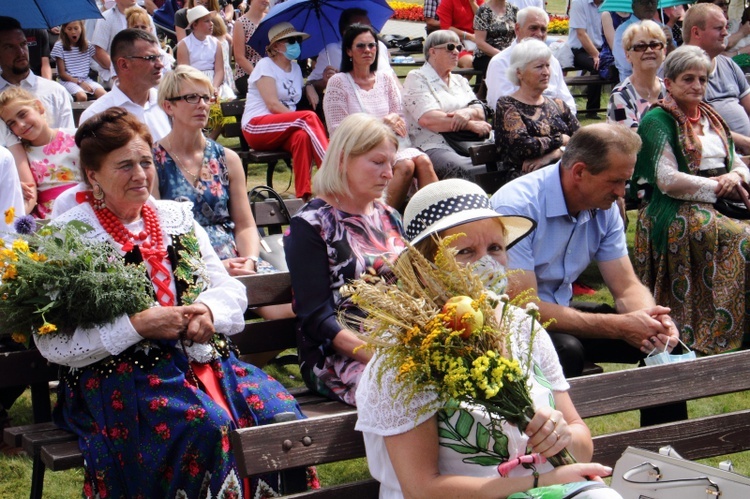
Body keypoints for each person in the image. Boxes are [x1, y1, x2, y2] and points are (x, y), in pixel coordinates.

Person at [36, 107, 307, 498]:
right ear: (93, 176)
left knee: (274, 412)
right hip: (120, 376)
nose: (141, 174)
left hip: (204, 360)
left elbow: (228, 288)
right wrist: (137, 326)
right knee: (207, 427)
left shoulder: (176, 218)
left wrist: (209, 310)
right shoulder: (70, 235)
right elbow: (53, 341)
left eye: (145, 161)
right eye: (124, 165)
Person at [356, 178, 619, 499]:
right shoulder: (406, 355)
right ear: (424, 269)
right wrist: (536, 482)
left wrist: (561, 436)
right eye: (465, 252)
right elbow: (421, 488)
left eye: (495, 247)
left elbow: (583, 447)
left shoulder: (523, 328)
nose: (486, 263)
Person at [633, 46, 750, 355]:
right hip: (675, 207)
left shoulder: (712, 117)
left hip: (722, 199)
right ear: (668, 83)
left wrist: (734, 178)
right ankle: (716, 331)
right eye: (688, 79)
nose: (697, 86)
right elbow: (667, 180)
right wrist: (717, 186)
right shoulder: (657, 120)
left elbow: (737, 162)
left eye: (702, 79)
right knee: (743, 238)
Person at [283, 113, 406, 406]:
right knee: (407, 392)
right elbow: (316, 317)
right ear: (342, 160)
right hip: (336, 356)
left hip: (399, 345)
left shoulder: (389, 217)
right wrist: (380, 355)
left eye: (392, 164)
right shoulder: (311, 224)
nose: (389, 173)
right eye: (378, 162)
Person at [154, 66, 272, 276]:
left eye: (206, 97)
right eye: (191, 97)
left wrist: (250, 262)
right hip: (186, 270)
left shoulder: (227, 159)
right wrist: (212, 268)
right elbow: (156, 237)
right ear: (168, 106)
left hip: (237, 260)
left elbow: (245, 225)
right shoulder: (153, 162)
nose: (202, 105)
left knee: (289, 304)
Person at [323, 24, 438, 210]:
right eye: (360, 46)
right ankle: (380, 221)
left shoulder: (385, 79)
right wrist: (382, 123)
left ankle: (437, 222)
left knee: (423, 161)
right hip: (357, 152)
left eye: (372, 45)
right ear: (348, 51)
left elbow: (400, 122)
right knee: (407, 166)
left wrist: (390, 124)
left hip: (392, 146)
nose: (368, 50)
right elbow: (339, 132)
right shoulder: (338, 82)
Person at [240, 22, 328, 201]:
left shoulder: (295, 68)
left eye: (297, 40)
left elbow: (294, 99)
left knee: (302, 137)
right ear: (276, 46)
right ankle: (331, 171)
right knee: (307, 118)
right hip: (257, 126)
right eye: (291, 40)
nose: (296, 44)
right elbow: (272, 104)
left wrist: (310, 86)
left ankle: (303, 196)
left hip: (284, 128)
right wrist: (300, 118)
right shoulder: (265, 65)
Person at [0, 16, 74, 203]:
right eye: (9, 47)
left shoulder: (54, 91)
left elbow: (66, 142)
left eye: (23, 44)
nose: (20, 52)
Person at [403, 30, 492, 180]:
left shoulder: (459, 80)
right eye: (450, 47)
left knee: (505, 156)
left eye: (459, 47)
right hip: (434, 143)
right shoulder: (417, 78)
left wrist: (467, 114)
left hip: (468, 141)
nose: (456, 52)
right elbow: (430, 119)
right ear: (433, 51)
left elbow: (480, 111)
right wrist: (470, 125)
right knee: (462, 169)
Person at [495, 39, 580, 176]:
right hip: (528, 180)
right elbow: (523, 146)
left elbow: (582, 141)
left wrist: (555, 154)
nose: (546, 72)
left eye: (548, 65)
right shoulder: (507, 105)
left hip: (562, 174)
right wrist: (561, 139)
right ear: (519, 72)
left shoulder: (558, 104)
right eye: (539, 67)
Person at [0, 87, 82, 218]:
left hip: (84, 210)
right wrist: (16, 187)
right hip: (46, 222)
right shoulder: (20, 155)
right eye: (12, 123)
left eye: (22, 114)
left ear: (38, 107)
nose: (20, 124)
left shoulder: (76, 138)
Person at [304, 8, 394, 124]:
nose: (367, 50)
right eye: (361, 27)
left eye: (371, 45)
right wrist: (325, 81)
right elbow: (311, 82)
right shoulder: (331, 52)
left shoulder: (380, 47)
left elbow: (392, 79)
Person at [79, 29, 171, 142]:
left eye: (159, 57)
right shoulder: (95, 116)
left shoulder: (167, 104)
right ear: (123, 64)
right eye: (150, 58)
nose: (160, 65)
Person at [683, 3, 750, 153]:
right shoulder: (680, 72)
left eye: (725, 27)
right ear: (697, 33)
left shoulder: (728, 64)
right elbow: (695, 127)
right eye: (719, 28)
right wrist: (746, 143)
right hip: (717, 159)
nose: (726, 33)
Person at [485, 7, 575, 114]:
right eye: (533, 28)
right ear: (517, 29)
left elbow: (567, 101)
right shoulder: (500, 62)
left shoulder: (552, 61)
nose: (539, 34)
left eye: (543, 29)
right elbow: (501, 105)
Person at [607, 20, 666, 129]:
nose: (649, 50)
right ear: (627, 55)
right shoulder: (620, 97)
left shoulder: (671, 91)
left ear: (664, 52)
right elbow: (629, 140)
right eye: (640, 46)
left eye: (655, 45)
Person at [90, 0, 159, 83]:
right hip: (113, 75)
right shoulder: (106, 17)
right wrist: (119, 70)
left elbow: (155, 47)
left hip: (145, 73)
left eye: (143, 27)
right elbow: (99, 50)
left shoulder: (146, 17)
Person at [51, 21, 107, 102]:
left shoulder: (87, 45)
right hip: (68, 80)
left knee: (103, 94)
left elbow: (100, 60)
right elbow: (62, 74)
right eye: (69, 29)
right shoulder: (59, 46)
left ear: (81, 29)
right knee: (82, 96)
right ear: (64, 30)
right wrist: (79, 82)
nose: (73, 32)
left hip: (85, 79)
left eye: (76, 28)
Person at [567, 0, 605, 118]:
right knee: (597, 66)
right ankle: (592, 110)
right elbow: (581, 34)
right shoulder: (579, 3)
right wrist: (595, 55)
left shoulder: (607, 4)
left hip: (601, 48)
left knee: (615, 66)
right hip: (579, 49)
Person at [176, 6, 225, 91]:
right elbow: (184, 72)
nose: (211, 23)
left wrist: (214, 87)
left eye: (211, 20)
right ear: (195, 25)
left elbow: (219, 70)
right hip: (193, 83)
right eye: (207, 21)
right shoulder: (184, 45)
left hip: (213, 82)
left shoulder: (216, 43)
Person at [613, 0, 659, 82]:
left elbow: (674, 60)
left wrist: (669, 44)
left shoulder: (662, 29)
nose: (649, 5)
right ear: (634, 6)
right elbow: (625, 63)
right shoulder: (623, 31)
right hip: (633, 85)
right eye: (644, 2)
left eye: (653, 2)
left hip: (662, 85)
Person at [471, 0, 517, 76]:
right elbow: (480, 43)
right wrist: (502, 56)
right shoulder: (483, 11)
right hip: (486, 56)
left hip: (509, 56)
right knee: (501, 67)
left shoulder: (514, 10)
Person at [232, 0, 268, 98]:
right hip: (247, 74)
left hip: (269, 71)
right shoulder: (241, 23)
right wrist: (258, 75)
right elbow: (239, 57)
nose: (266, 1)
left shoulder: (269, 20)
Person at [437, 0, 484, 68]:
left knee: (492, 61)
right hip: (456, 43)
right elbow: (446, 28)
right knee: (469, 63)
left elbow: (484, 21)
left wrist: (472, 2)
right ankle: (459, 79)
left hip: (478, 43)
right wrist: (470, 36)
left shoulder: (478, 1)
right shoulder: (447, 1)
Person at [599, 10, 631, 81]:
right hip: (611, 57)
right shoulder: (607, 14)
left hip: (630, 54)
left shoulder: (634, 15)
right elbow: (614, 46)